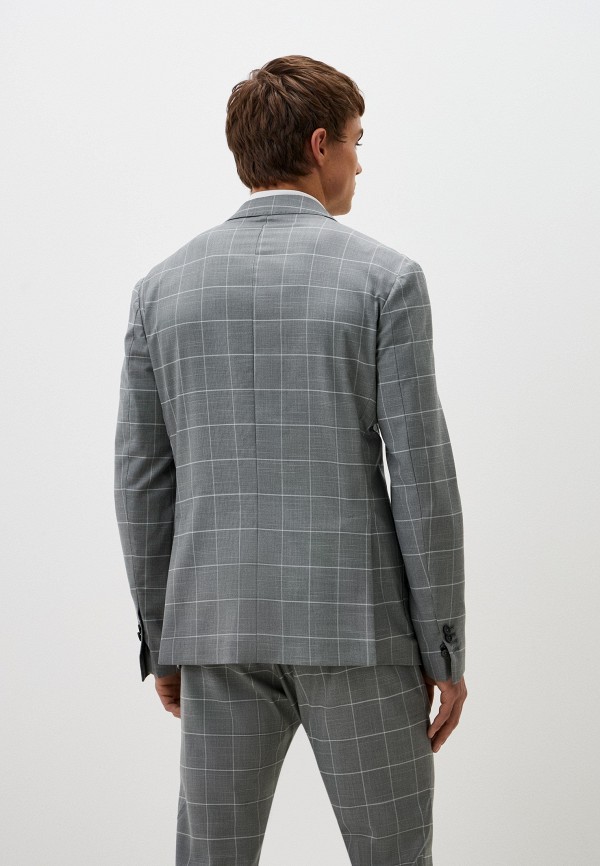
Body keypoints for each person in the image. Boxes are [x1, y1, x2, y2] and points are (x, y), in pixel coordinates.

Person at [114, 54, 467, 865]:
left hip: (217, 629)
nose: (359, 163)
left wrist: (166, 637)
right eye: (355, 142)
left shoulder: (161, 290)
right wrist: (443, 648)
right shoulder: (386, 280)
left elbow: (141, 480)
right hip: (361, 632)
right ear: (318, 146)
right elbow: (421, 472)